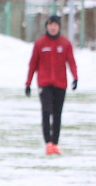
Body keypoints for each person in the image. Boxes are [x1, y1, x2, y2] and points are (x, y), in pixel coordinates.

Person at [25, 14, 78, 155]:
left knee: (57, 114)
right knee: (46, 111)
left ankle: (55, 143)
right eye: (50, 25)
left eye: (55, 24)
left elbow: (71, 62)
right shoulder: (40, 43)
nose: (53, 27)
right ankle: (48, 143)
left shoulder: (65, 44)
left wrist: (75, 77)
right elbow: (33, 65)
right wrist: (28, 83)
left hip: (60, 84)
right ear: (47, 27)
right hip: (45, 83)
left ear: (59, 26)